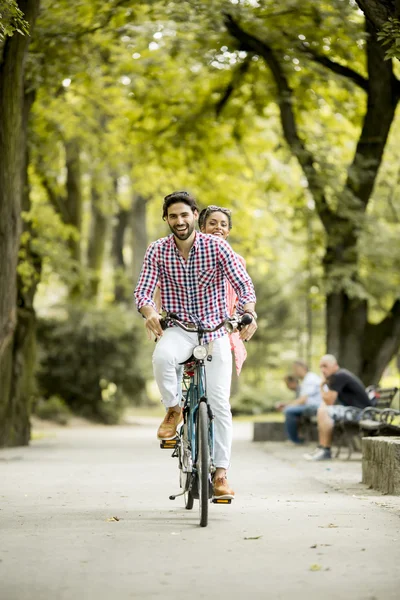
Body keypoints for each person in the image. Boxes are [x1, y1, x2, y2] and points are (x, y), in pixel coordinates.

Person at [134, 191, 257, 499]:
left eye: (184, 215)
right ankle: (173, 410)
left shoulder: (215, 247)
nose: (179, 221)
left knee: (219, 403)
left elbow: (243, 284)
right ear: (166, 219)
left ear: (194, 216)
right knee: (162, 358)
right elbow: (144, 292)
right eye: (173, 216)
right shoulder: (157, 250)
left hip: (215, 332)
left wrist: (249, 312)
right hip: (179, 329)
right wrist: (149, 313)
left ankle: (220, 474)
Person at [198, 205, 247, 376]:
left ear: (228, 231)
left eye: (223, 224)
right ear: (202, 228)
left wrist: (242, 317)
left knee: (218, 373)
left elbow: (242, 292)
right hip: (192, 321)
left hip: (222, 324)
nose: (218, 227)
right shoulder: (190, 254)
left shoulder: (238, 260)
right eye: (212, 223)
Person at [304, 354, 372, 461]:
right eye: (321, 367)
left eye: (325, 366)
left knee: (324, 410)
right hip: (359, 412)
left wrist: (321, 385)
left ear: (335, 365)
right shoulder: (338, 375)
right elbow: (327, 401)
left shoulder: (339, 376)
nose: (322, 369)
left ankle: (325, 450)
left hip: (363, 414)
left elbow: (329, 401)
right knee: (322, 409)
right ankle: (322, 448)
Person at [276, 360, 322, 444]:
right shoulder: (306, 379)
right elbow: (301, 399)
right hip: (309, 406)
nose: (294, 372)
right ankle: (296, 438)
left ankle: (295, 440)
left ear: (303, 368)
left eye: (295, 369)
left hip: (316, 406)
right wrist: (286, 404)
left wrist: (287, 406)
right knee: (290, 410)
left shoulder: (310, 378)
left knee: (289, 411)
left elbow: (303, 400)